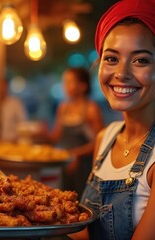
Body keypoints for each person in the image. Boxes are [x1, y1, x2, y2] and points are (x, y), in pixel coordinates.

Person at [71, 1, 155, 239]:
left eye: (140, 60)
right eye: (111, 58)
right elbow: (87, 232)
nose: (121, 73)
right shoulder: (106, 137)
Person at [47, 67, 104, 197]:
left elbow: (101, 141)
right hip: (65, 165)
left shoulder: (91, 109)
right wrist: (40, 133)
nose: (65, 86)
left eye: (70, 82)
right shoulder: (63, 108)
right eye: (64, 82)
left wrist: (76, 154)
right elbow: (56, 137)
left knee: (81, 200)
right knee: (63, 198)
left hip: (84, 166)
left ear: (83, 86)